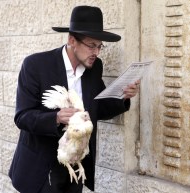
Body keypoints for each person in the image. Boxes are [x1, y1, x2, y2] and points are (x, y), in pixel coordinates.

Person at [9, 5, 140, 193]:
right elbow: (22, 117)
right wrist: (56, 118)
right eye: (91, 45)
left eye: (99, 46)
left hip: (75, 169)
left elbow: (98, 108)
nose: (96, 52)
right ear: (72, 40)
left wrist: (123, 97)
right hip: (41, 170)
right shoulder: (35, 65)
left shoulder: (94, 67)